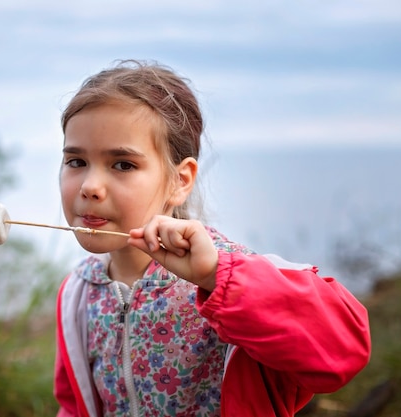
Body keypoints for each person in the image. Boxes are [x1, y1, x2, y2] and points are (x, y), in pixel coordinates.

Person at [53, 60, 371, 417]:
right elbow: (75, 406)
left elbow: (343, 351)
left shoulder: (230, 278)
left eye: (123, 164)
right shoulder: (79, 293)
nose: (89, 186)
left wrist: (216, 276)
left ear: (180, 180)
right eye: (76, 161)